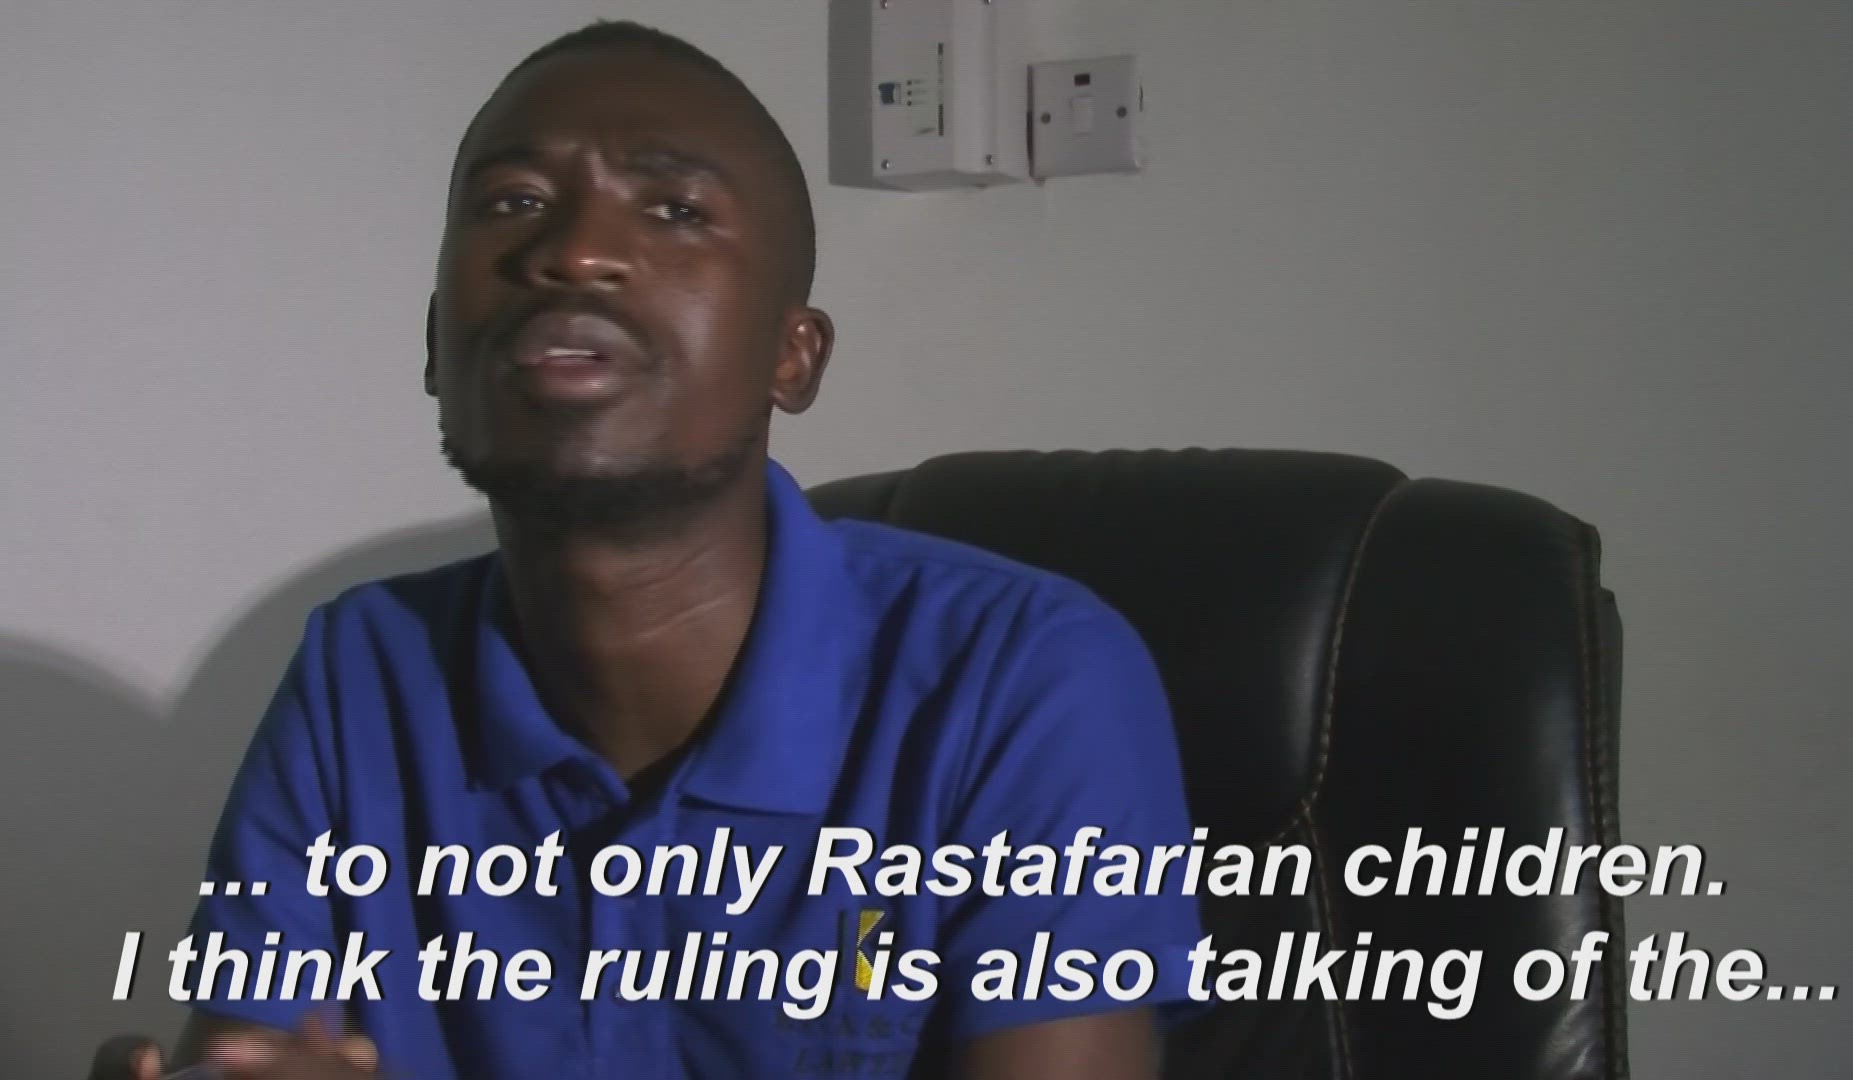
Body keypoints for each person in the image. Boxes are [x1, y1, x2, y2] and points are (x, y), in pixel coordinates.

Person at [88, 20, 1201, 1080]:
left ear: (792, 357)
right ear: (436, 345)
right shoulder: (363, 674)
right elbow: (257, 1048)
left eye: (674, 209)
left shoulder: (1024, 680)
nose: (573, 252)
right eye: (515, 202)